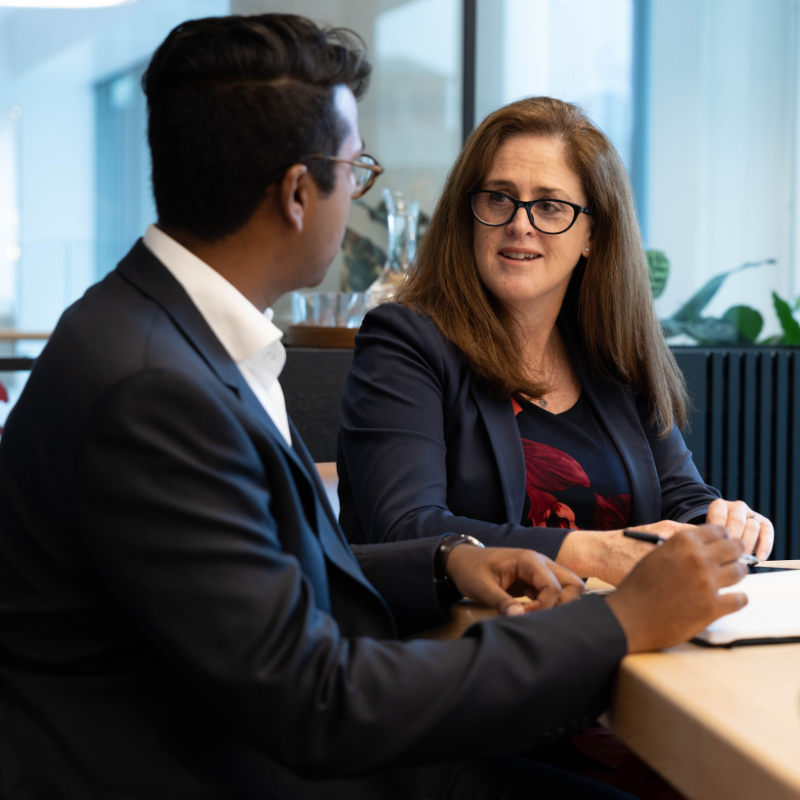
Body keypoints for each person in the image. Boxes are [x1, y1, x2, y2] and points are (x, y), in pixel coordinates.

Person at [0, 16, 748, 800]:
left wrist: (450, 560)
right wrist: (621, 621)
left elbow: (266, 581)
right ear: (298, 193)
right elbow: (319, 701)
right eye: (356, 169)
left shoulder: (171, 340)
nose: (360, 190)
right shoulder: (154, 388)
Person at [337, 96, 774, 586]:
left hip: (617, 639)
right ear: (468, 213)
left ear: (593, 234)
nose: (519, 223)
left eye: (549, 205)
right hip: (467, 646)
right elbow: (407, 531)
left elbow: (681, 497)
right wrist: (595, 553)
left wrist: (719, 521)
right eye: (498, 197)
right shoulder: (405, 341)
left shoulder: (612, 351)